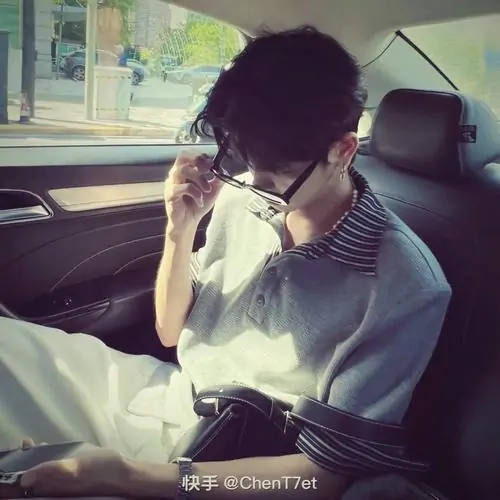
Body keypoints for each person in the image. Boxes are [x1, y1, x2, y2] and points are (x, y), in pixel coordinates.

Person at [0, 26, 451, 499]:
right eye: (245, 161)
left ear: (343, 150)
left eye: (278, 174)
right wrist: (180, 229)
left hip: (239, 462)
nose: (255, 183)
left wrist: (126, 475)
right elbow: (170, 331)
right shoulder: (241, 200)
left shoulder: (405, 286)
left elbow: (322, 477)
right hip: (170, 394)